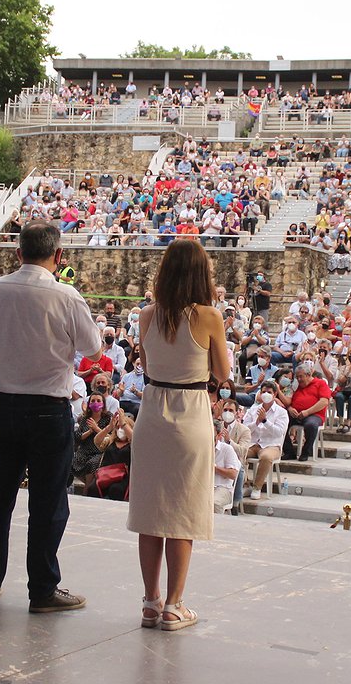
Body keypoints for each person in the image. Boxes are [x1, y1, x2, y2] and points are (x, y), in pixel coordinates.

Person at [0, 221, 102, 612]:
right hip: (48, 408)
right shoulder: (66, 296)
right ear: (58, 256)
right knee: (48, 502)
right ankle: (43, 589)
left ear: (18, 253)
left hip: (3, 405)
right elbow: (94, 349)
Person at [128, 239, 230, 632]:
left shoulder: (147, 315)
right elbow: (221, 373)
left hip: (153, 409)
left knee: (150, 511)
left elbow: (149, 363)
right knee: (183, 510)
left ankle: (150, 601)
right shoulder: (208, 316)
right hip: (190, 412)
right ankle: (174, 604)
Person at [244, 381, 287, 500]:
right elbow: (245, 429)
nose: (266, 394)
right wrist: (257, 422)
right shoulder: (253, 410)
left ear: (274, 395)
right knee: (239, 452)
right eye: (263, 392)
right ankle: (244, 483)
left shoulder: (281, 412)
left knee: (266, 457)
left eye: (269, 392)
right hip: (254, 443)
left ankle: (257, 487)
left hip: (272, 445)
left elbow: (279, 432)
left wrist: (265, 421)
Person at [281, 362, 332, 462]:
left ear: (308, 375)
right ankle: (288, 451)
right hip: (295, 413)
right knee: (280, 421)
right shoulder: (296, 385)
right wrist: (290, 408)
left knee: (311, 425)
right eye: (297, 377)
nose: (299, 379)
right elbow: (288, 399)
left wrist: (307, 412)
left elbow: (324, 401)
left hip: (313, 414)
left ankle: (305, 452)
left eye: (301, 377)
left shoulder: (320, 383)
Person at [213, 419, 240, 512]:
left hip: (222, 488)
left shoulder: (227, 449)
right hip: (203, 486)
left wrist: (214, 468)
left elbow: (233, 474)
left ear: (219, 435)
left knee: (214, 503)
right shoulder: (200, 449)